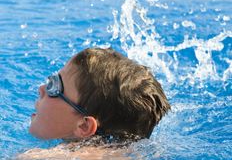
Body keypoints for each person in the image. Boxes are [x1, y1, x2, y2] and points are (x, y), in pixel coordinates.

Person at [29, 47, 171, 143]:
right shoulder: (128, 159)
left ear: (84, 126)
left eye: (55, 87)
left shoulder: (48, 159)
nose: (42, 89)